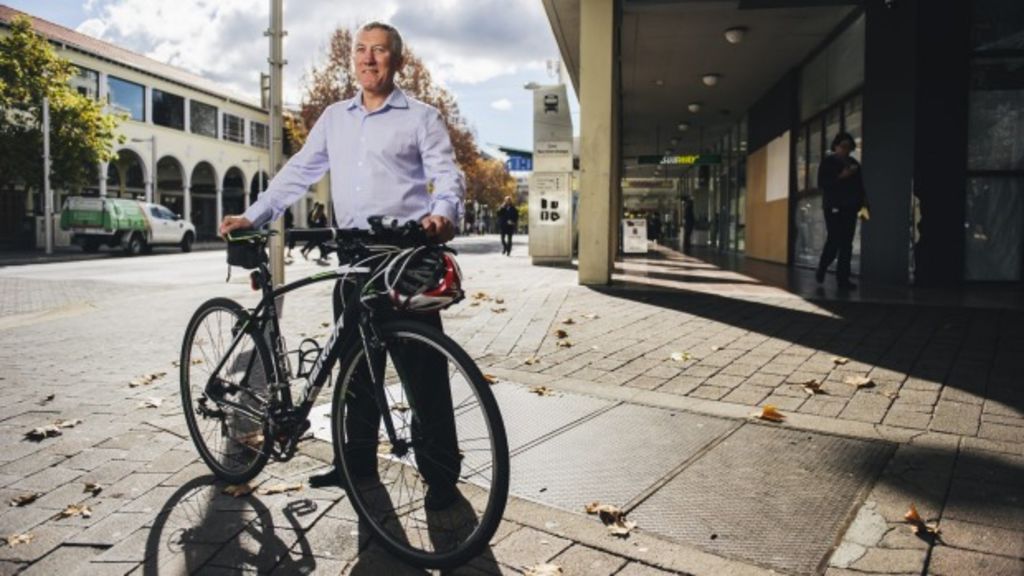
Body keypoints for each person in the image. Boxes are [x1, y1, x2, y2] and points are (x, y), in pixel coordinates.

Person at [218, 21, 464, 510]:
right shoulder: (335, 118)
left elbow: (445, 174)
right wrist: (255, 214)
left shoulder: (421, 118)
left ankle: (440, 477)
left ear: (398, 61)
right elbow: (298, 174)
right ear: (351, 60)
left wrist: (443, 215)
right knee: (353, 373)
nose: (368, 59)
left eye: (379, 51)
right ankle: (355, 464)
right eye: (360, 51)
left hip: (403, 260)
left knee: (424, 375)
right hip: (352, 261)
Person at [816, 132, 869, 289]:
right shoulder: (828, 162)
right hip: (833, 206)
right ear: (835, 146)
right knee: (834, 239)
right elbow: (822, 183)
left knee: (847, 243)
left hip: (851, 207)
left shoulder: (855, 164)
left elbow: (860, 187)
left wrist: (864, 205)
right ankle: (823, 266)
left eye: (849, 147)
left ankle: (843, 280)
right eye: (843, 146)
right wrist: (841, 176)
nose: (846, 150)